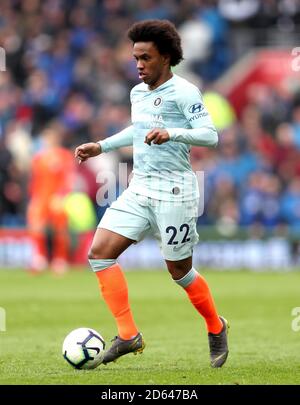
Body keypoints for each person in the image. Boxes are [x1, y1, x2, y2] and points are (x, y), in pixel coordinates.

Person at [75, 19, 229, 368]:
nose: (139, 65)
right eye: (135, 59)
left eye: (145, 58)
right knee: (99, 253)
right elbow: (139, 128)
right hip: (140, 186)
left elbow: (210, 135)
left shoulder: (185, 92)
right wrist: (102, 145)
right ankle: (128, 335)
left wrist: (171, 133)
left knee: (180, 272)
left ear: (166, 57)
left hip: (176, 191)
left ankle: (215, 326)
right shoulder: (137, 93)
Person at [27, 123, 75, 274]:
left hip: (57, 197)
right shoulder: (38, 158)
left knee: (60, 229)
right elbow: (35, 180)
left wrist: (62, 196)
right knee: (36, 226)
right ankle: (40, 258)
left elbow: (68, 179)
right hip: (41, 197)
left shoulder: (64, 155)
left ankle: (60, 259)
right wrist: (33, 198)